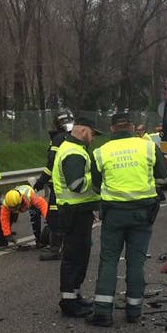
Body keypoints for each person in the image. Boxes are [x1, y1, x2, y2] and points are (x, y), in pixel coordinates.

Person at [89, 111, 167, 326]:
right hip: (142, 213)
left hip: (113, 214)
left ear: (112, 128)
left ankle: (103, 312)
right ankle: (134, 311)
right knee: (136, 261)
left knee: (108, 261)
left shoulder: (100, 151)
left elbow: (96, 186)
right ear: (133, 127)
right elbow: (164, 177)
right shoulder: (148, 146)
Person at [52, 116, 102, 317]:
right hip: (74, 212)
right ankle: (69, 302)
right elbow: (77, 185)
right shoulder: (74, 152)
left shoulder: (74, 149)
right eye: (93, 134)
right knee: (74, 258)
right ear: (83, 131)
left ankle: (74, 295)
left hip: (76, 210)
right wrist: (97, 175)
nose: (94, 138)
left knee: (80, 256)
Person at [33, 110, 74, 261]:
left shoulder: (58, 139)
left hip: (58, 185)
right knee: (67, 217)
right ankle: (68, 246)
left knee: (54, 217)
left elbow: (51, 164)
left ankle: (56, 249)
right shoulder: (72, 138)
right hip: (70, 183)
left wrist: (40, 182)